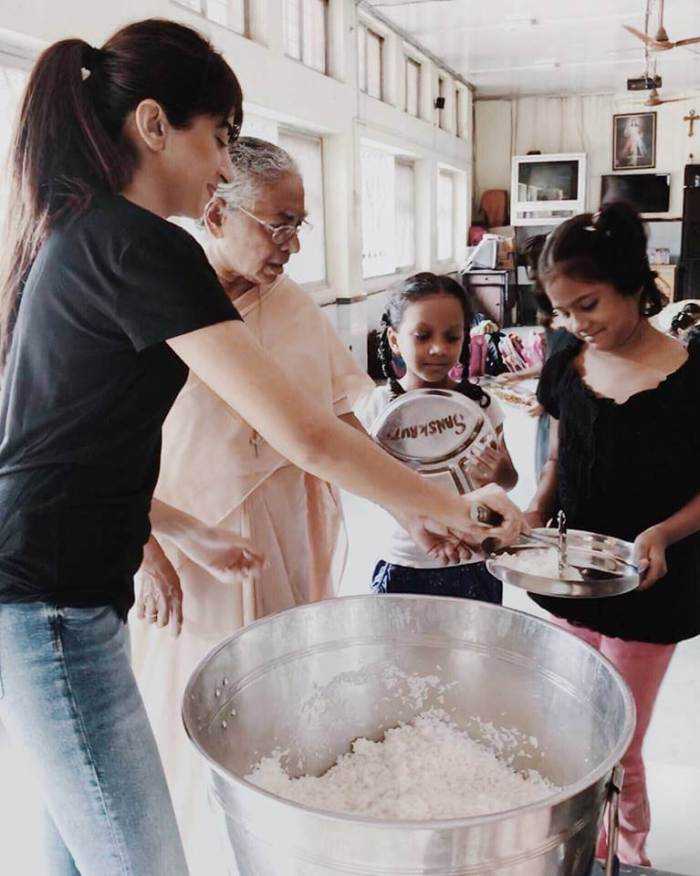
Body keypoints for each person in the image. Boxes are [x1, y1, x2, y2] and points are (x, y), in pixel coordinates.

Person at [0, 19, 523, 875]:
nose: (221, 166)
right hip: (49, 604)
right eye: (219, 137)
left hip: (49, 591)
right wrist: (453, 505)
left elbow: (69, 449)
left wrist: (181, 527)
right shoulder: (143, 245)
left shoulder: (79, 232)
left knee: (72, 847)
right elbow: (306, 431)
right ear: (155, 125)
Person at [130, 137, 374, 875]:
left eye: (301, 224)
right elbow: (106, 451)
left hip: (288, 530)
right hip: (191, 548)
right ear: (215, 213)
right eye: (279, 224)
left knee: (284, 694)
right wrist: (147, 551)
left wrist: (420, 497)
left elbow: (338, 421)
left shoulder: (293, 305)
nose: (293, 245)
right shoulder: (157, 299)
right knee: (196, 705)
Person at [525, 201, 700, 866]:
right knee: (573, 727)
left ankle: (629, 855)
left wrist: (663, 533)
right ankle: (582, 850)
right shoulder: (568, 363)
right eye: (563, 311)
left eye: (588, 304)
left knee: (618, 739)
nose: (577, 324)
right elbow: (558, 459)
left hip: (652, 588)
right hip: (574, 575)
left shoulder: (688, 379)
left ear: (631, 283)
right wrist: (534, 513)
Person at [357, 273, 518, 601]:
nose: (438, 348)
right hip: (406, 559)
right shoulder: (378, 407)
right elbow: (363, 481)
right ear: (394, 340)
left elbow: (508, 480)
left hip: (474, 560)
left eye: (452, 337)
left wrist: (499, 472)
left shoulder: (481, 405)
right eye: (422, 336)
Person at [497, 234, 571, 478]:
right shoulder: (550, 313)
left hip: (565, 409)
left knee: (559, 467)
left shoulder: (573, 321)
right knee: (546, 465)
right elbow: (552, 361)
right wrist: (519, 376)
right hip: (550, 404)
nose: (533, 276)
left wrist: (547, 400)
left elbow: (572, 368)